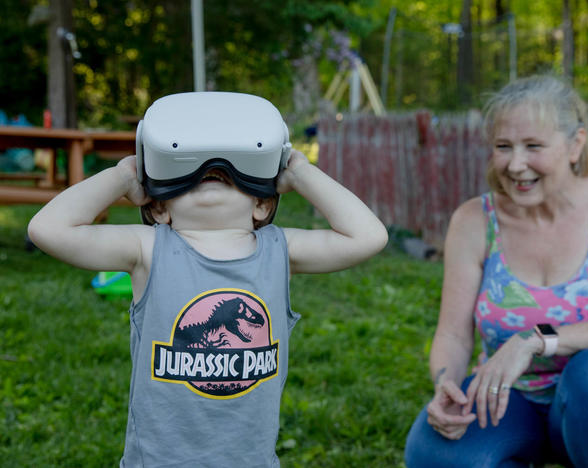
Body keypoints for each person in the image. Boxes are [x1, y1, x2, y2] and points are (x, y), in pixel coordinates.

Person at [27, 92, 388, 467]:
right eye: (192, 170)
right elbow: (47, 229)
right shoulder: (148, 249)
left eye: (233, 172)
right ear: (160, 207)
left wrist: (300, 171)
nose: (212, 171)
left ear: (262, 204)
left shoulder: (279, 249)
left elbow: (368, 237)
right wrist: (124, 174)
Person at [404, 75, 588, 467]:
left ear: (575, 145)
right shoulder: (475, 219)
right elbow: (455, 334)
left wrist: (533, 339)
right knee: (433, 456)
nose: (515, 164)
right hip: (508, 399)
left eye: (533, 146)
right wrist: (447, 384)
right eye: (503, 147)